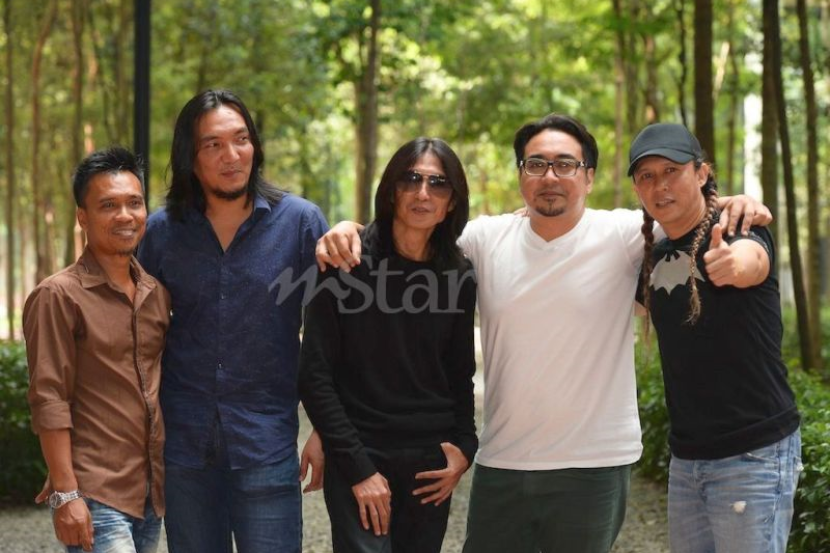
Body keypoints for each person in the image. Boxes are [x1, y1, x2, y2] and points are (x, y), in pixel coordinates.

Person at [316, 114, 772, 553]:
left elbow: (685, 213)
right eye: (536, 164)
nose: (550, 176)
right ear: (521, 175)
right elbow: (411, 232)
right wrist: (348, 230)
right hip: (504, 459)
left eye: (565, 164)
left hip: (595, 464)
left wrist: (735, 202)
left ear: (588, 177)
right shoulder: (483, 240)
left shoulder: (626, 234)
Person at [136, 89, 328, 553]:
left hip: (266, 444)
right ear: (190, 157)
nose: (232, 155)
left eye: (241, 139)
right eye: (213, 145)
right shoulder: (161, 232)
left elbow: (331, 337)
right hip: (184, 449)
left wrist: (325, 432)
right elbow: (136, 336)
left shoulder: (300, 223)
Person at [298, 137, 477, 553]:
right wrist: (357, 467)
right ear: (392, 190)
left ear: (452, 201)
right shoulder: (345, 263)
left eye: (438, 183)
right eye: (410, 179)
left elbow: (459, 372)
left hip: (429, 462)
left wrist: (465, 448)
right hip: (361, 451)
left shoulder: (459, 274)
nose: (422, 193)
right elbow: (314, 374)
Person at [629, 123, 801, 553]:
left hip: (753, 453)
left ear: (702, 173)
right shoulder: (655, 255)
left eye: (671, 171)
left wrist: (733, 265)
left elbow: (752, 260)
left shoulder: (738, 228)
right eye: (647, 176)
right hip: (687, 458)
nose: (660, 185)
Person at [23, 147, 170, 553]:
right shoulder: (58, 296)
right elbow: (49, 397)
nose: (125, 215)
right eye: (108, 205)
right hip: (95, 492)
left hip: (149, 492)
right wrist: (66, 493)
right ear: (82, 217)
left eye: (134, 203)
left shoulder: (155, 294)